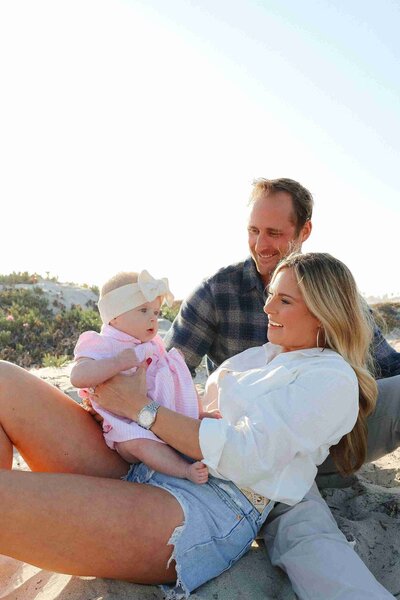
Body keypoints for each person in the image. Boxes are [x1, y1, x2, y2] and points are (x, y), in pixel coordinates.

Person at [0, 252, 393, 598]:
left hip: (210, 501)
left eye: (284, 300)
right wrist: (114, 405)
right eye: (272, 293)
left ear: (325, 312)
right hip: (151, 454)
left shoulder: (331, 377)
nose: (267, 306)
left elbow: (245, 455)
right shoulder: (263, 355)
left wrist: (140, 407)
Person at [164, 177, 400, 596]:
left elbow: (389, 366)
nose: (261, 245)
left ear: (304, 231)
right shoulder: (217, 291)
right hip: (257, 450)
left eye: (274, 232)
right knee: (304, 530)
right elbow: (169, 374)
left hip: (330, 436)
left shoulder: (331, 291)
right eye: (254, 230)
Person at [70, 269, 210, 484]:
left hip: (161, 418)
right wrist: (117, 363)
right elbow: (78, 376)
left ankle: (195, 417)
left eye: (156, 312)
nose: (153, 318)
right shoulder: (102, 343)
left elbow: (176, 382)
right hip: (126, 426)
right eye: (143, 310)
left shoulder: (152, 344)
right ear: (115, 316)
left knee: (176, 368)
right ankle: (184, 470)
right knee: (141, 444)